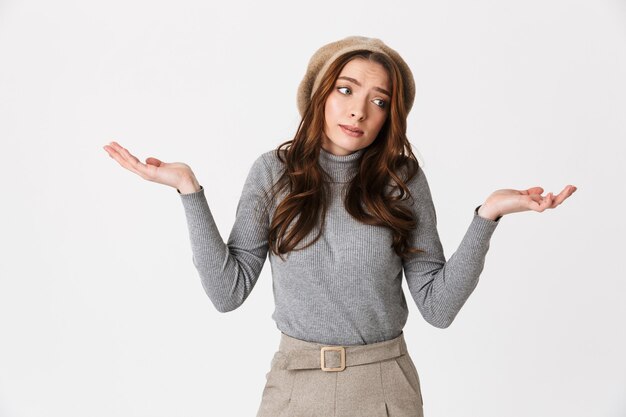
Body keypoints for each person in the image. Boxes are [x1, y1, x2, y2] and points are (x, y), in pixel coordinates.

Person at [103, 36, 577, 417]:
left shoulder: (401, 179)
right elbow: (228, 293)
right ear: (320, 93)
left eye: (379, 101)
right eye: (346, 90)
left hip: (385, 389)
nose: (358, 111)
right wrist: (188, 190)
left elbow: (438, 307)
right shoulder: (273, 172)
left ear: (390, 116)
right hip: (294, 389)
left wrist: (485, 218)